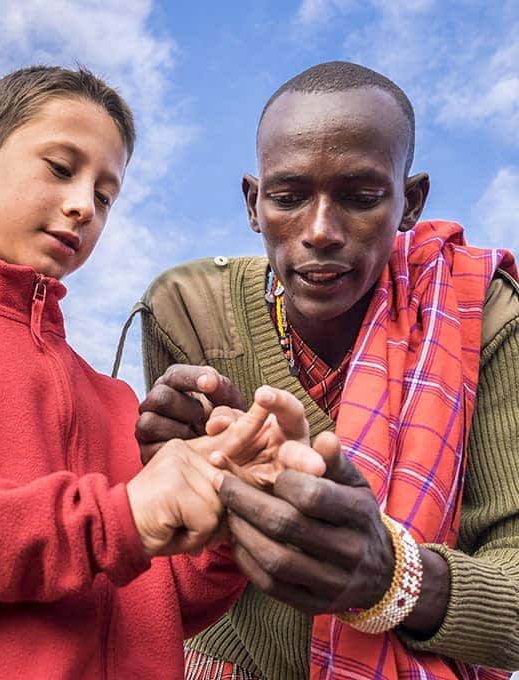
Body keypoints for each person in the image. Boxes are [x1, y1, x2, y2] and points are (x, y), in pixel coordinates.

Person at [0, 65, 311, 679]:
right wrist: (109, 521)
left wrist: (226, 512)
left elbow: (154, 604)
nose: (82, 205)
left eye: (105, 194)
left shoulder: (116, 400)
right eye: (61, 168)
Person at [133, 61, 519, 678]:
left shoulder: (484, 315)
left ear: (410, 201)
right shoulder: (189, 310)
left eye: (362, 199)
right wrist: (190, 474)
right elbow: (166, 562)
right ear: (253, 204)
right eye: (288, 198)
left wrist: (394, 576)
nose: (320, 232)